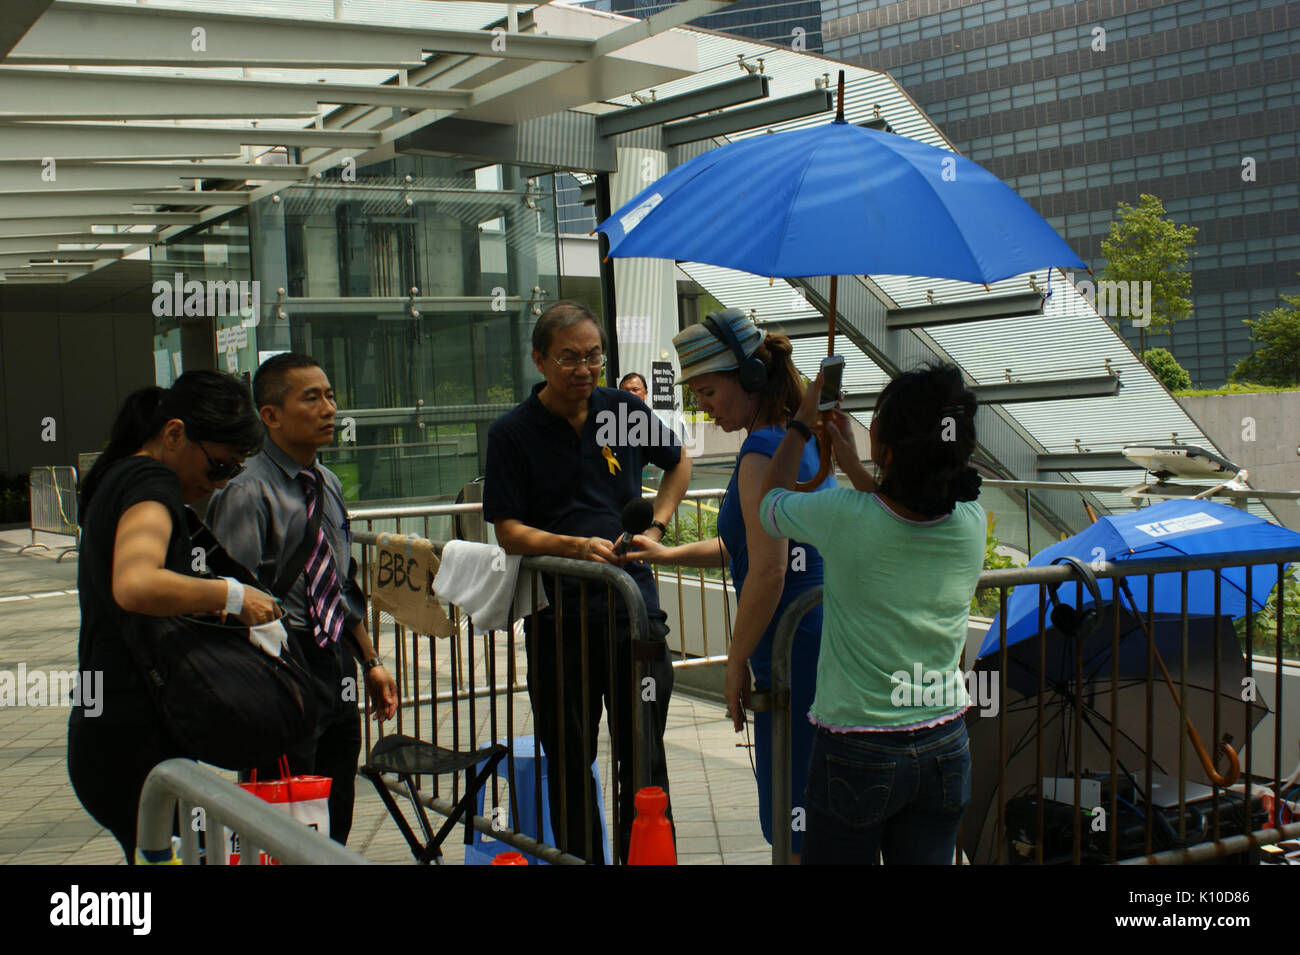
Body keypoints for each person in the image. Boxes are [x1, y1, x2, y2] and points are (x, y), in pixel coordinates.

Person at [483, 301, 691, 863]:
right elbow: (508, 531)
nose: (585, 369)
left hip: (633, 615)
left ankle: (643, 856)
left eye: (594, 356)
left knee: (643, 757)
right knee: (569, 758)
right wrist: (573, 547)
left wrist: (658, 524)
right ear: (540, 360)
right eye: (570, 357)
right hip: (559, 622)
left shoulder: (621, 409)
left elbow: (678, 461)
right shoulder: (512, 433)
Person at [758, 362, 986, 865]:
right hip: (945, 743)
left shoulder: (842, 516)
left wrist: (800, 422)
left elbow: (768, 503)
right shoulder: (971, 519)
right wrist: (858, 465)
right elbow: (901, 508)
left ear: (886, 448)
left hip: (857, 751)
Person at [629, 308, 833, 860]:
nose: (703, 407)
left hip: (786, 647)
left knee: (794, 817)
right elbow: (745, 547)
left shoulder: (762, 452)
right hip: (820, 638)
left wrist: (735, 662)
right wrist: (667, 550)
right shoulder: (802, 442)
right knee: (819, 809)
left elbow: (768, 568)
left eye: (709, 392)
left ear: (749, 380)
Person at [68, 371, 277, 863]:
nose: (216, 485)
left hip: (111, 731)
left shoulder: (119, 477)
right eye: (219, 466)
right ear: (175, 433)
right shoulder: (150, 480)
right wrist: (233, 595)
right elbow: (137, 583)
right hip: (134, 738)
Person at [206, 353, 398, 846]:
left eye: (330, 395)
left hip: (334, 659)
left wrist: (370, 660)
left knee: (334, 803)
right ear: (270, 415)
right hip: (278, 663)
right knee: (283, 807)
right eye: (311, 398)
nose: (329, 408)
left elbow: (338, 582)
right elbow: (234, 596)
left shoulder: (328, 483)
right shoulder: (247, 491)